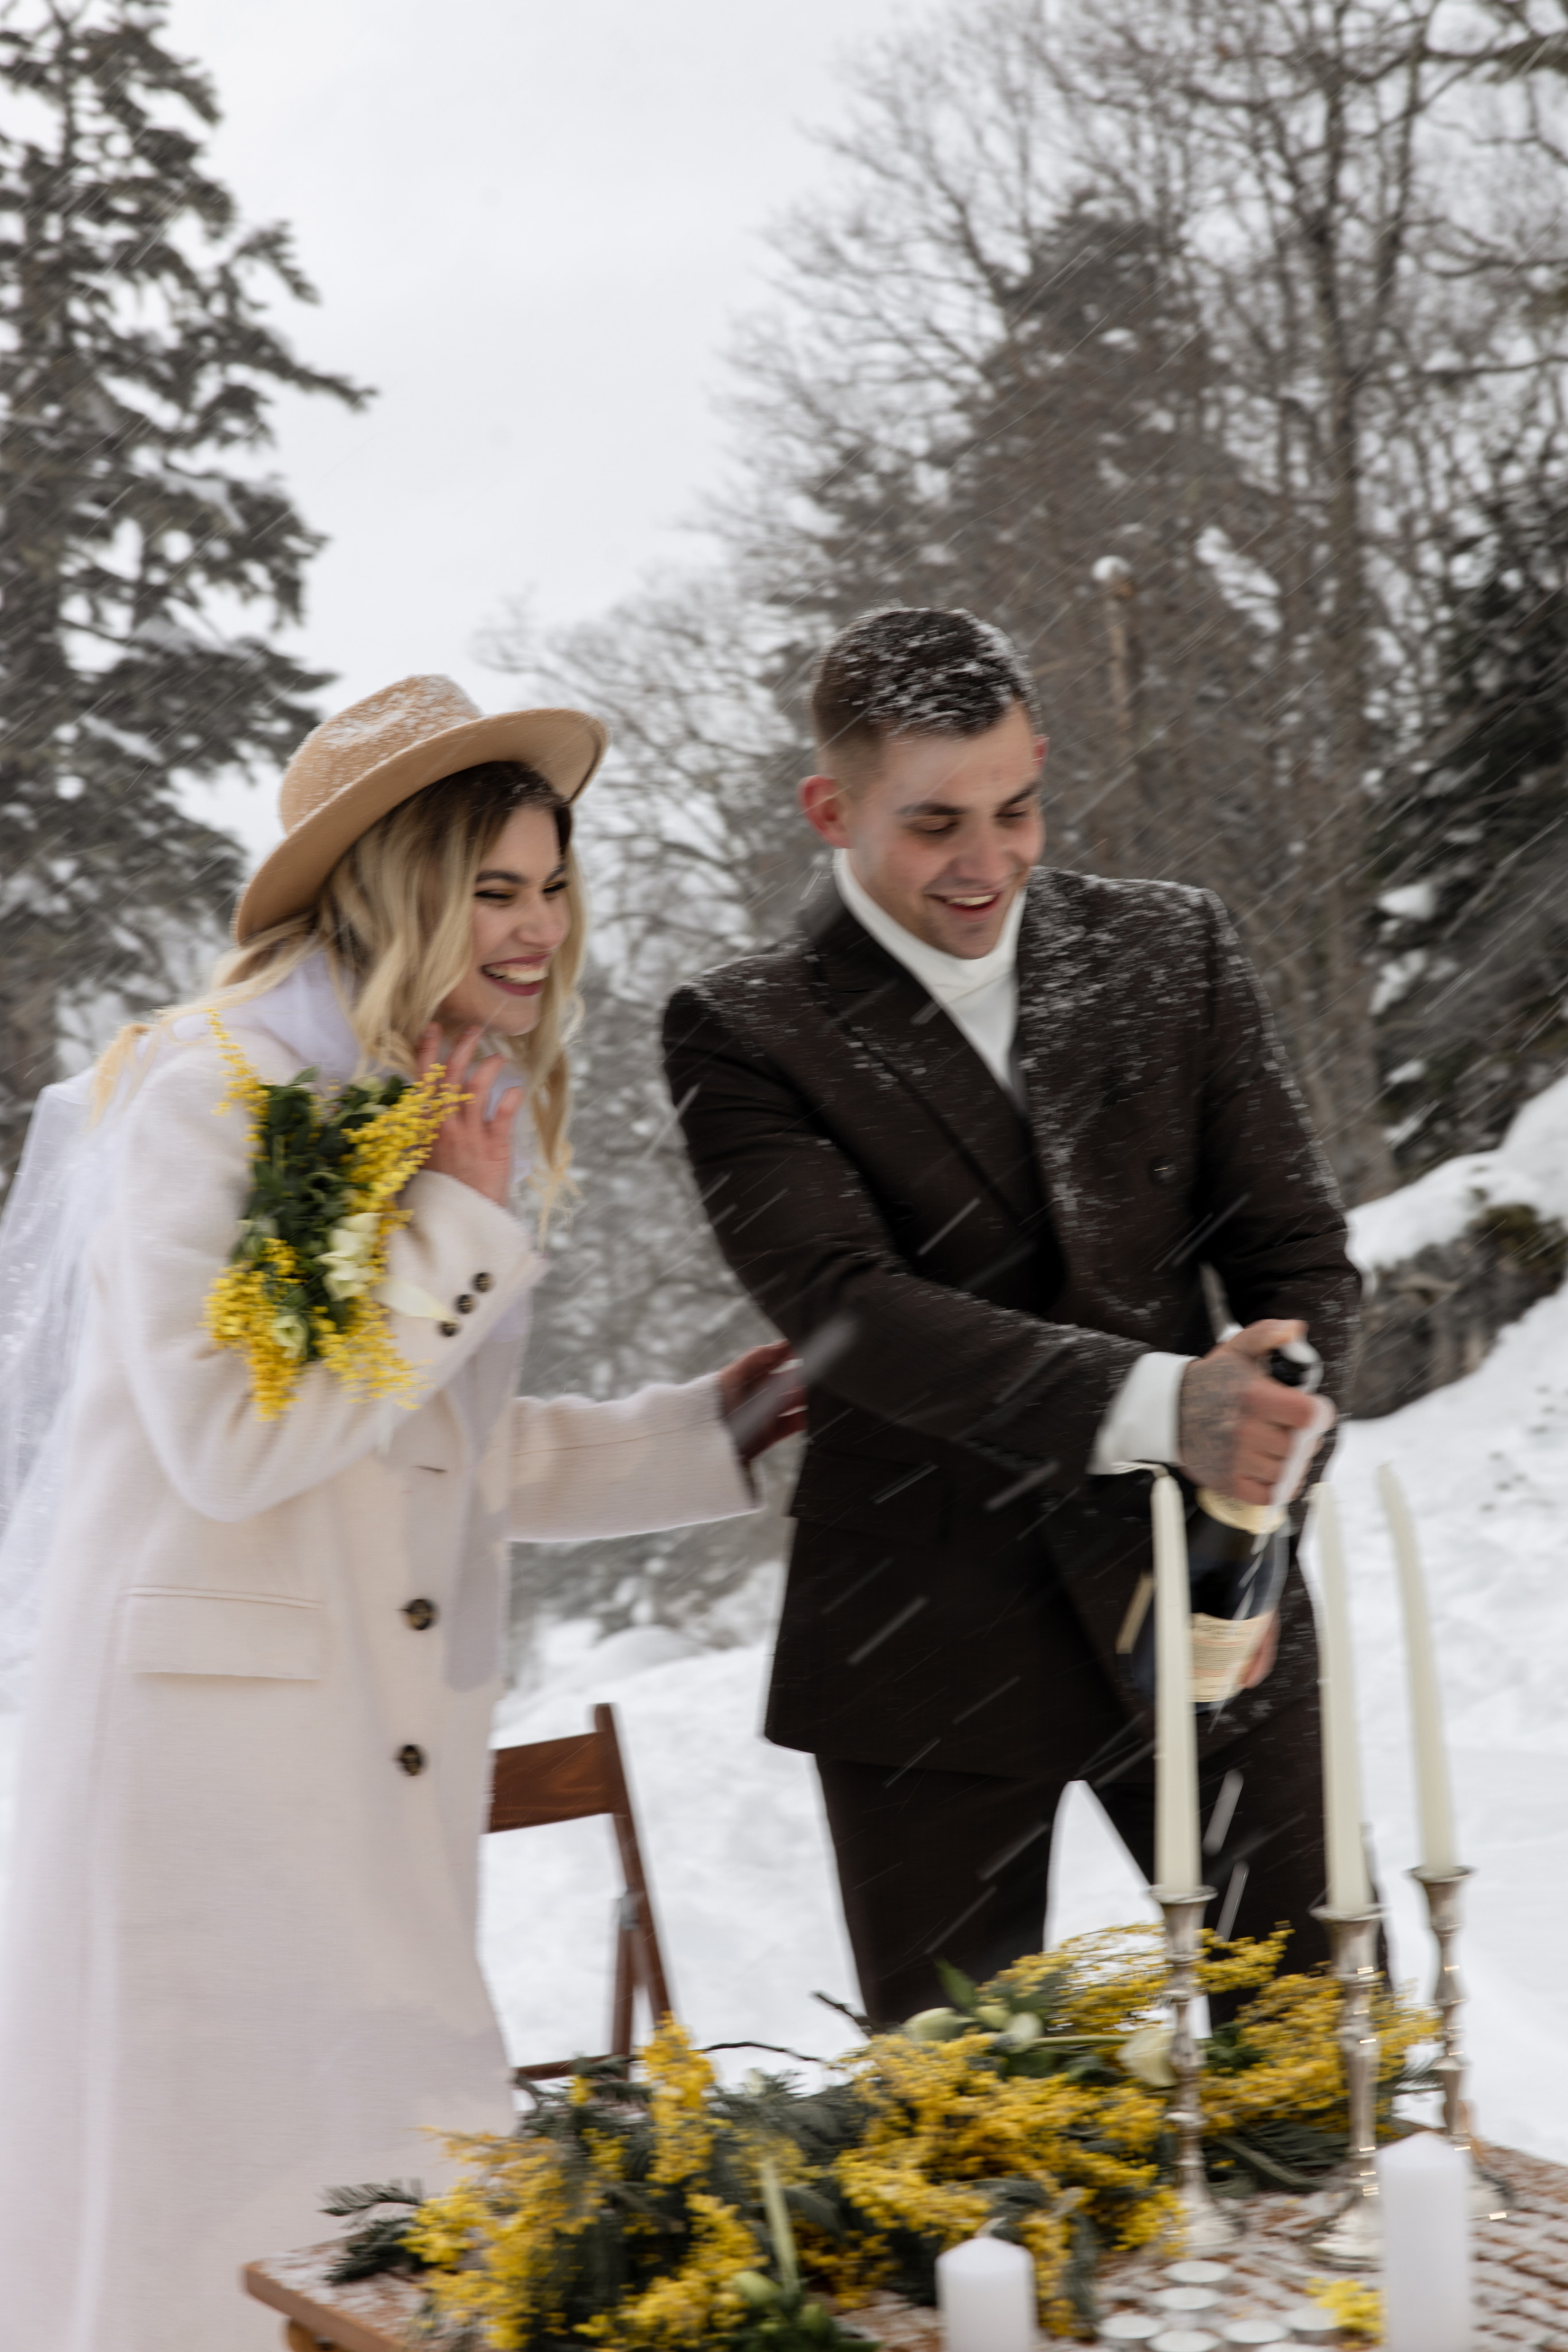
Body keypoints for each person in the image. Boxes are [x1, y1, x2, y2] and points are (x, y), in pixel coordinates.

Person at [0, 674, 802, 2351]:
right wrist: (453, 1219)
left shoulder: (438, 1093)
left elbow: (436, 1456)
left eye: (550, 885)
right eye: (491, 890)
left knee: (375, 2199)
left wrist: (708, 1437)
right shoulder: (205, 1095)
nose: (534, 930)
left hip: (364, 1767)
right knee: (222, 2223)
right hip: (204, 1789)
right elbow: (231, 1438)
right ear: (396, 891)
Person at [662, 606, 1360, 2030]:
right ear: (829, 809)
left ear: (1041, 763)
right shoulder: (742, 1029)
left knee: (1329, 2069)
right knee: (974, 2165)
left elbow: (1296, 1253)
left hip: (1203, 1608)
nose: (985, 862)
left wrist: (1266, 1446)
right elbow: (849, 1314)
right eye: (931, 825)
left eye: (1015, 806)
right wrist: (1178, 1407)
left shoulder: (1174, 948)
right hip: (921, 1646)